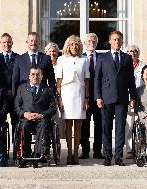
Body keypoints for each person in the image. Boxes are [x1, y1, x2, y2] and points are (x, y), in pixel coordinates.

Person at [94, 31, 136, 166]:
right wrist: (98, 97)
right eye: (114, 39)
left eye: (119, 40)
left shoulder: (127, 58)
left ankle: (118, 156)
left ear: (122, 41)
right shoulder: (102, 57)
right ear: (110, 41)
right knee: (106, 128)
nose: (117, 42)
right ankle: (107, 156)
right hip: (106, 98)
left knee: (120, 128)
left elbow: (131, 79)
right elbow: (97, 79)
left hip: (122, 98)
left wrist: (133, 96)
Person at [56, 35, 89, 165]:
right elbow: (58, 81)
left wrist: (86, 98)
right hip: (66, 93)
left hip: (80, 93)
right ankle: (69, 153)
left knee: (79, 125)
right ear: (67, 46)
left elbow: (87, 80)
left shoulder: (84, 60)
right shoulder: (61, 59)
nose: (74, 47)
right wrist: (59, 99)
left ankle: (76, 153)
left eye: (77, 44)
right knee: (68, 124)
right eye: (72, 44)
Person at [15, 67, 57, 168]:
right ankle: (25, 154)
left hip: (41, 118)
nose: (35, 76)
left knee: (43, 125)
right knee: (24, 125)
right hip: (26, 118)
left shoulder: (48, 90)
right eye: (33, 74)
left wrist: (41, 115)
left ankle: (37, 154)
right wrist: (25, 114)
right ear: (29, 76)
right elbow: (17, 105)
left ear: (42, 76)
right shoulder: (22, 88)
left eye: (38, 74)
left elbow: (53, 108)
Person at [79, 33, 104, 159]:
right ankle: (84, 150)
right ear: (84, 43)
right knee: (85, 125)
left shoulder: (102, 58)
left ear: (96, 43)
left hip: (99, 97)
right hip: (84, 98)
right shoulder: (80, 58)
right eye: (88, 41)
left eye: (93, 41)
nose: (91, 43)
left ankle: (98, 151)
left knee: (99, 125)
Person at [12, 32, 55, 96]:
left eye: (36, 41)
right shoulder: (19, 59)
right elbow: (15, 80)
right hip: (24, 96)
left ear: (39, 43)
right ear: (27, 42)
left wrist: (51, 95)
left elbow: (51, 79)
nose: (33, 43)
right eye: (31, 41)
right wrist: (15, 97)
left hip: (42, 96)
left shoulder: (46, 59)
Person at [0, 33, 19, 140]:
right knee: (1, 122)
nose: (6, 44)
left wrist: (13, 91)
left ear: (12, 43)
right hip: (0, 96)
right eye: (4, 42)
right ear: (0, 43)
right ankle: (3, 150)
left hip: (15, 95)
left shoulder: (19, 58)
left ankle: (17, 149)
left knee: (16, 122)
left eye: (8, 42)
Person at [125, 44, 145, 159]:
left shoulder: (143, 66)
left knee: (141, 124)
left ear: (138, 53)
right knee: (129, 124)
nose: (132, 53)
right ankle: (129, 149)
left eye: (135, 51)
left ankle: (140, 148)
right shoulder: (124, 65)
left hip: (141, 99)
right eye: (130, 51)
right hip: (128, 99)